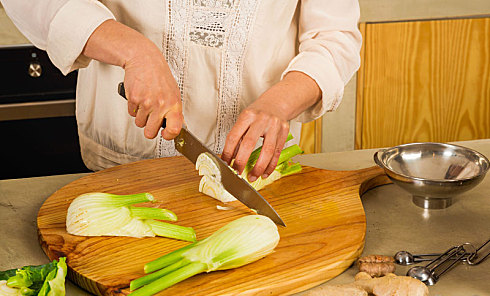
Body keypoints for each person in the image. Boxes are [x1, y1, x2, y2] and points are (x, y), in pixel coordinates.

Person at [1, 0, 361, 182]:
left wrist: (281, 102)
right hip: (123, 166)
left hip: (254, 172)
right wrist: (133, 50)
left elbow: (335, 37)